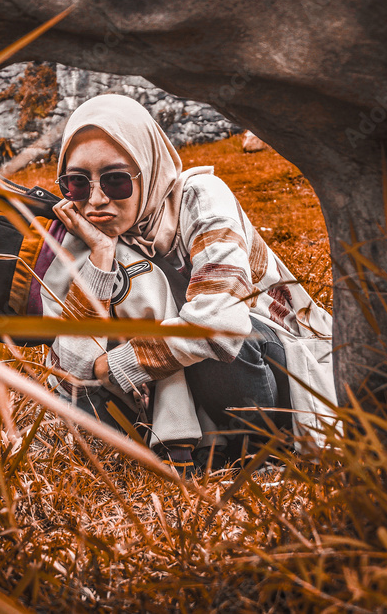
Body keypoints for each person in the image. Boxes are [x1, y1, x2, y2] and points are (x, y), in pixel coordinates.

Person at [46, 94, 337, 472]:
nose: (96, 200)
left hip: (276, 375)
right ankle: (208, 447)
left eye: (116, 180)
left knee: (220, 339)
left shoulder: (201, 199)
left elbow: (221, 324)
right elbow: (73, 371)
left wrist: (117, 365)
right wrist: (101, 254)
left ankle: (264, 447)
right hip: (202, 397)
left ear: (147, 169)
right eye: (77, 183)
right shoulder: (89, 233)